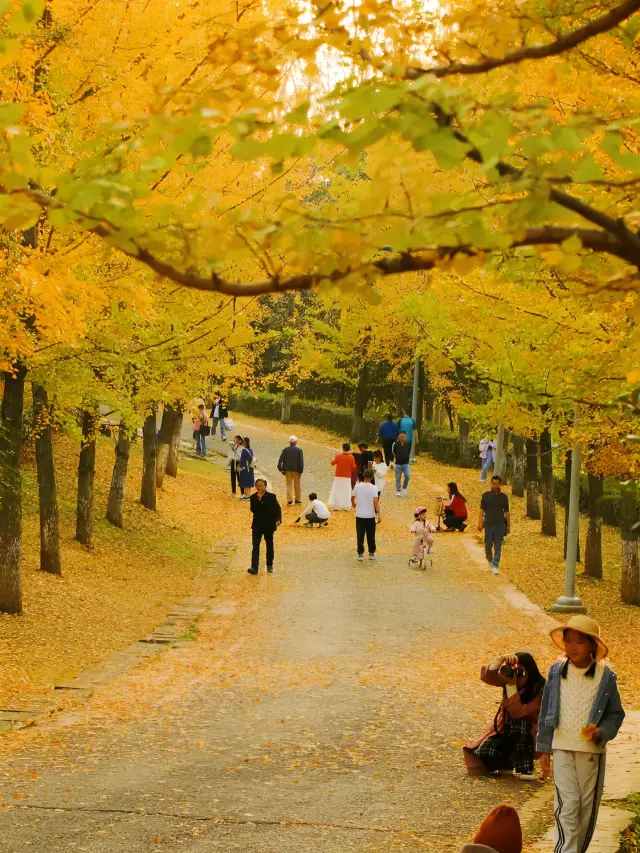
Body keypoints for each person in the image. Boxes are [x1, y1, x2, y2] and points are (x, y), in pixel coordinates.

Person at [537, 616, 625, 853]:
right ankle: (564, 850)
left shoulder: (605, 677)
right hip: (562, 747)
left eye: (579, 642)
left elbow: (615, 714)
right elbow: (546, 709)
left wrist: (601, 732)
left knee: (585, 809)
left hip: (590, 753)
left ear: (592, 647)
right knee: (568, 804)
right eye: (568, 641)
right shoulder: (556, 672)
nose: (572, 647)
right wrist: (543, 747)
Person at [463, 652, 546, 780]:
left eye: (521, 672)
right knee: (485, 751)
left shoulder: (540, 689)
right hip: (505, 731)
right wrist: (498, 661)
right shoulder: (510, 681)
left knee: (520, 724)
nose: (517, 676)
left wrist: (511, 686)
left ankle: (526, 766)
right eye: (513, 671)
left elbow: (517, 713)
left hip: (530, 736)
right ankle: (505, 764)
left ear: (531, 672)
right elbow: (488, 677)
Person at [247, 479, 282, 574]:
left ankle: (269, 564)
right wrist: (259, 499)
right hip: (257, 525)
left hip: (269, 525)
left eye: (261, 485)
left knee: (269, 545)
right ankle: (254, 567)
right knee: (255, 545)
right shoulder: (253, 498)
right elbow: (254, 510)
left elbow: (277, 508)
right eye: (257, 486)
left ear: (265, 486)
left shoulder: (272, 496)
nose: (259, 488)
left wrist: (278, 518)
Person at [478, 475, 510, 574]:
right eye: (493, 484)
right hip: (488, 524)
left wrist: (508, 525)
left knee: (498, 545)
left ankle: (495, 565)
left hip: (500, 525)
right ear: (491, 483)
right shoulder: (486, 496)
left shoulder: (504, 497)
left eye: (497, 484)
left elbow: (507, 512)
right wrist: (479, 523)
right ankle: (490, 560)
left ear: (500, 484)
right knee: (488, 546)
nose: (495, 486)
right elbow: (481, 511)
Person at [352, 469, 380, 561]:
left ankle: (360, 553)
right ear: (372, 477)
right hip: (370, 515)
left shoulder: (358, 486)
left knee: (360, 535)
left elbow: (352, 496)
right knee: (371, 535)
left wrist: (353, 503)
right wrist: (378, 514)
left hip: (360, 515)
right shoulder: (374, 488)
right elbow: (376, 502)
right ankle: (371, 552)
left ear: (364, 476)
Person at [328, 443, 357, 511]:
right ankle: (346, 506)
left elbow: (332, 463)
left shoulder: (339, 456)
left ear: (343, 448)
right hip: (347, 477)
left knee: (337, 490)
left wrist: (335, 456)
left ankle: (336, 506)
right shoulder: (352, 457)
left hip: (338, 476)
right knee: (346, 491)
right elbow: (353, 467)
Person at [277, 435, 304, 506]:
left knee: (289, 485)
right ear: (296, 442)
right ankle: (297, 500)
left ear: (289, 442)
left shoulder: (285, 450)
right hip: (297, 470)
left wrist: (281, 469)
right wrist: (301, 470)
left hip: (287, 470)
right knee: (297, 485)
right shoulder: (299, 450)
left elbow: (280, 461)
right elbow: (301, 462)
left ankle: (289, 500)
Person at [392, 431, 411, 496]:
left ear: (406, 437)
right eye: (402, 436)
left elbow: (409, 452)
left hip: (406, 464)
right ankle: (398, 490)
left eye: (404, 436)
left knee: (407, 476)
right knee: (398, 478)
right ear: (399, 437)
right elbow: (393, 452)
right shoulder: (395, 444)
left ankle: (404, 488)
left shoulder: (408, 444)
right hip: (398, 464)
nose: (403, 438)